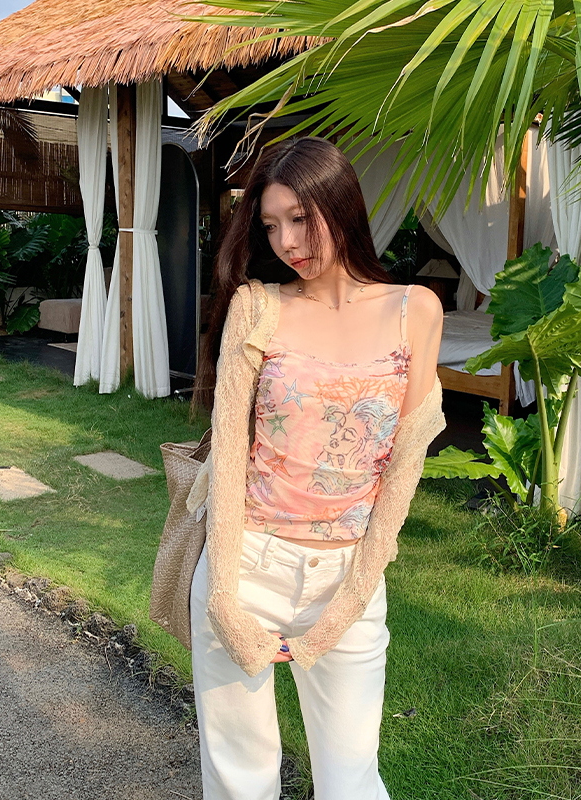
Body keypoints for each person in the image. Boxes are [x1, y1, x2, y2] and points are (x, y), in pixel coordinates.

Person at [191, 136, 446, 800]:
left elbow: (405, 465)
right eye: (271, 225)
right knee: (239, 778)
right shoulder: (257, 306)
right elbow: (229, 455)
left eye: (300, 218)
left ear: (342, 204)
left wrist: (355, 595)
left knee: (351, 781)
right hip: (244, 561)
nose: (286, 241)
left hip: (348, 574)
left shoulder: (415, 310)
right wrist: (222, 596)